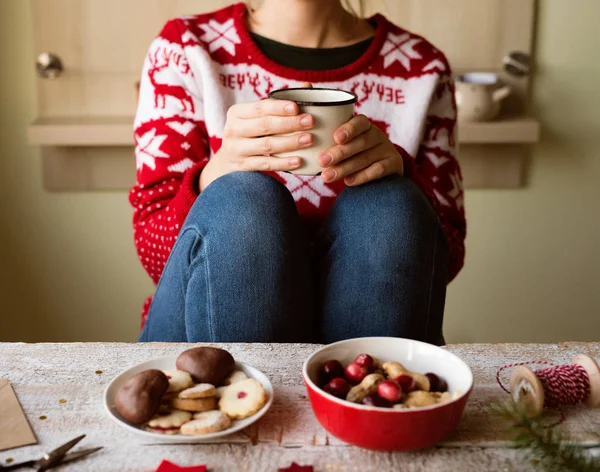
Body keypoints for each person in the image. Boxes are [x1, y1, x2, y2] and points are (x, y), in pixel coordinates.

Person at [131, 0, 465, 345]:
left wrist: (401, 174)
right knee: (242, 202)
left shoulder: (423, 68)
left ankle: (353, 395)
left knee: (390, 204)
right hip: (194, 343)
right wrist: (215, 174)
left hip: (362, 341)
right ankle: (243, 396)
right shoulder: (185, 48)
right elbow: (156, 257)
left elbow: (447, 259)